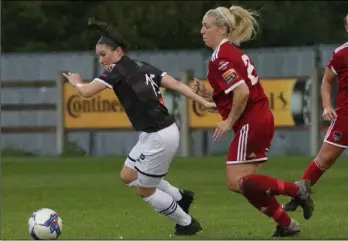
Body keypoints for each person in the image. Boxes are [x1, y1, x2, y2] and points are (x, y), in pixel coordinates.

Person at [63, 19, 217, 235]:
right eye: (98, 55)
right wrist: (204, 102)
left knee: (146, 190)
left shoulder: (115, 72)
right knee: (128, 175)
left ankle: (186, 223)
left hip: (159, 136)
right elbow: (178, 85)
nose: (101, 60)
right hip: (153, 133)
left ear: (118, 51)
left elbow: (86, 92)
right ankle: (181, 197)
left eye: (103, 54)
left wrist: (76, 82)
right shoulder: (142, 66)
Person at [192, 5, 314, 237]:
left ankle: (295, 190)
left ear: (222, 29)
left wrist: (228, 122)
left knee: (236, 181)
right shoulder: (231, 54)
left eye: (206, 26)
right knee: (246, 183)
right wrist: (207, 94)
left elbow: (242, 93)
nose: (202, 31)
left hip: (252, 121)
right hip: (258, 119)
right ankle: (286, 224)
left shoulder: (221, 57)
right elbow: (233, 94)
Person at [282, 13, 348, 216]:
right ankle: (299, 193)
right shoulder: (341, 54)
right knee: (325, 158)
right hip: (345, 117)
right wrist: (327, 106)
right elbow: (327, 80)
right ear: (346, 28)